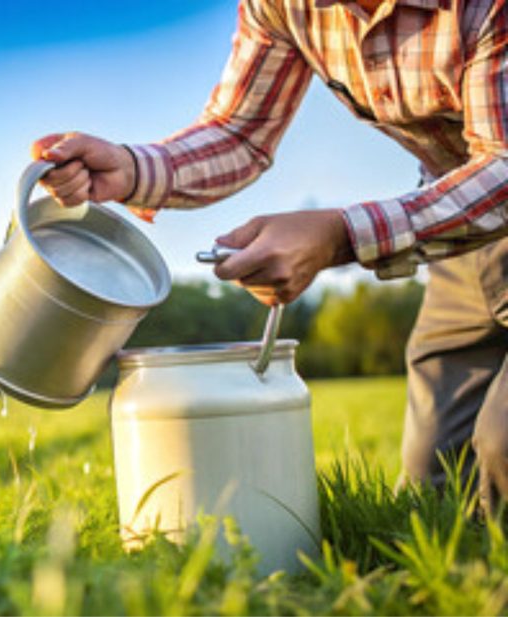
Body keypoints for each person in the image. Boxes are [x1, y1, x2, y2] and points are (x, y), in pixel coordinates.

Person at [32, 0, 507, 514]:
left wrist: (340, 235)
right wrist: (131, 168)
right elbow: (240, 131)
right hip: (458, 227)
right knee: (433, 488)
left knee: (503, 447)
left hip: (483, 197)